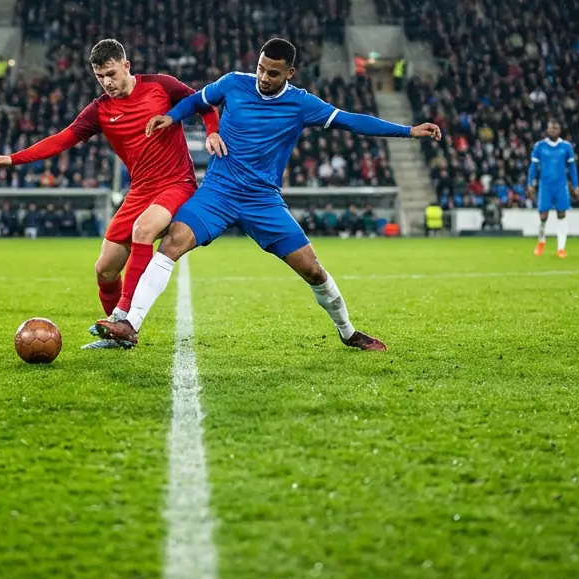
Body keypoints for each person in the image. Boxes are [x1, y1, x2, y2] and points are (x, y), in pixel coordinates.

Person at [92, 38, 442, 350]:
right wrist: (170, 117)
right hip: (218, 192)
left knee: (314, 271)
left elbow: (353, 120)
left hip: (263, 201)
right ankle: (130, 322)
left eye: (273, 73)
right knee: (171, 243)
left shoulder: (302, 104)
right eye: (260, 68)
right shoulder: (233, 84)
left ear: (289, 72)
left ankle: (348, 332)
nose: (263, 78)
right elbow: (196, 101)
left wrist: (408, 131)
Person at [0, 39, 221, 346]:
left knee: (143, 229)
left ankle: (123, 317)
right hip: (139, 191)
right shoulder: (100, 110)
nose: (107, 82)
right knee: (105, 269)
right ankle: (119, 337)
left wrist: (212, 131)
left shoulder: (161, 86)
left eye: (111, 74)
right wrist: (13, 158)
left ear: (126, 66)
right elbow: (61, 139)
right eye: (100, 77)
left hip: (177, 183)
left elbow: (203, 103)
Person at [526, 120, 579, 258]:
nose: (554, 130)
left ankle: (561, 248)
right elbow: (533, 167)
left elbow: (572, 168)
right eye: (552, 128)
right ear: (547, 129)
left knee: (561, 214)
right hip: (545, 186)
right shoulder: (540, 146)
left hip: (561, 186)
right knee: (543, 216)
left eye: (556, 128)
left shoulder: (566, 147)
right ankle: (541, 241)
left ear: (560, 130)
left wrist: (576, 185)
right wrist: (530, 183)